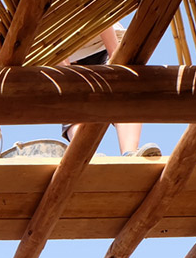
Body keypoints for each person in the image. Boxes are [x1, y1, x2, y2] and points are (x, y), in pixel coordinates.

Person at [63, 24, 161, 158]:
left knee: (124, 89)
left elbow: (101, 18)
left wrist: (115, 57)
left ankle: (130, 153)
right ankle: (87, 156)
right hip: (67, 53)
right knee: (71, 100)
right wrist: (69, 79)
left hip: (103, 44)